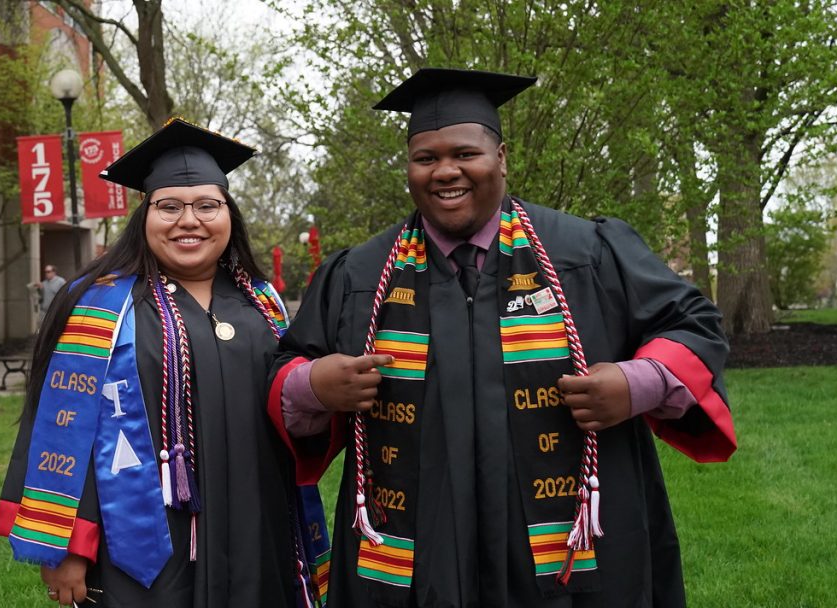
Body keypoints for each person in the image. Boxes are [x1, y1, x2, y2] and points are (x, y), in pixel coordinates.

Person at [270, 69, 737, 608]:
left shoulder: (586, 252)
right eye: (426, 158)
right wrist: (315, 385)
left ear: (502, 158)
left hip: (573, 558)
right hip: (412, 555)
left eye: (465, 153)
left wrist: (638, 384)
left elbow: (694, 325)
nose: (446, 171)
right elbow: (286, 373)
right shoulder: (360, 273)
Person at [0, 118, 326, 608]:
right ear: (144, 216)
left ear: (229, 214)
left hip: (259, 523)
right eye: (168, 206)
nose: (188, 221)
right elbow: (59, 429)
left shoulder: (262, 303)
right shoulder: (99, 305)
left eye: (207, 206)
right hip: (146, 537)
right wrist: (64, 544)